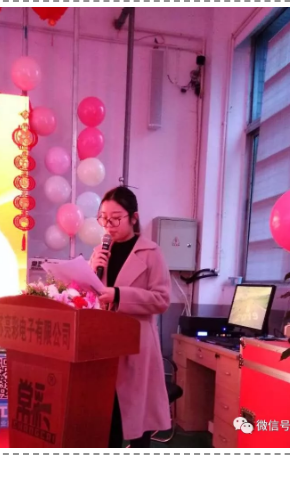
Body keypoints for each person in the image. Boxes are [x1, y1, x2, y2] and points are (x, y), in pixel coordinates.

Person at [89, 186, 171, 448]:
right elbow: (91, 297)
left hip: (136, 344)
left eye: (115, 219)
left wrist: (119, 295)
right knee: (106, 418)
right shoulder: (100, 251)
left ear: (134, 218)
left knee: (138, 422)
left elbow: (161, 299)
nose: (108, 225)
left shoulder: (151, 252)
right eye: (103, 218)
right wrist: (91, 270)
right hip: (104, 344)